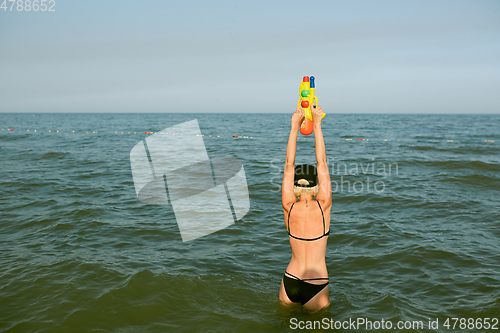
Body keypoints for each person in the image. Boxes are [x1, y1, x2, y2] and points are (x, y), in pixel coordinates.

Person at [279, 105, 332, 312]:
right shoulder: (323, 206)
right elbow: (322, 162)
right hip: (316, 281)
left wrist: (294, 127)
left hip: (290, 278)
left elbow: (288, 164)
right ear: (317, 186)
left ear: (294, 187)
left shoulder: (288, 206)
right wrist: (317, 126)